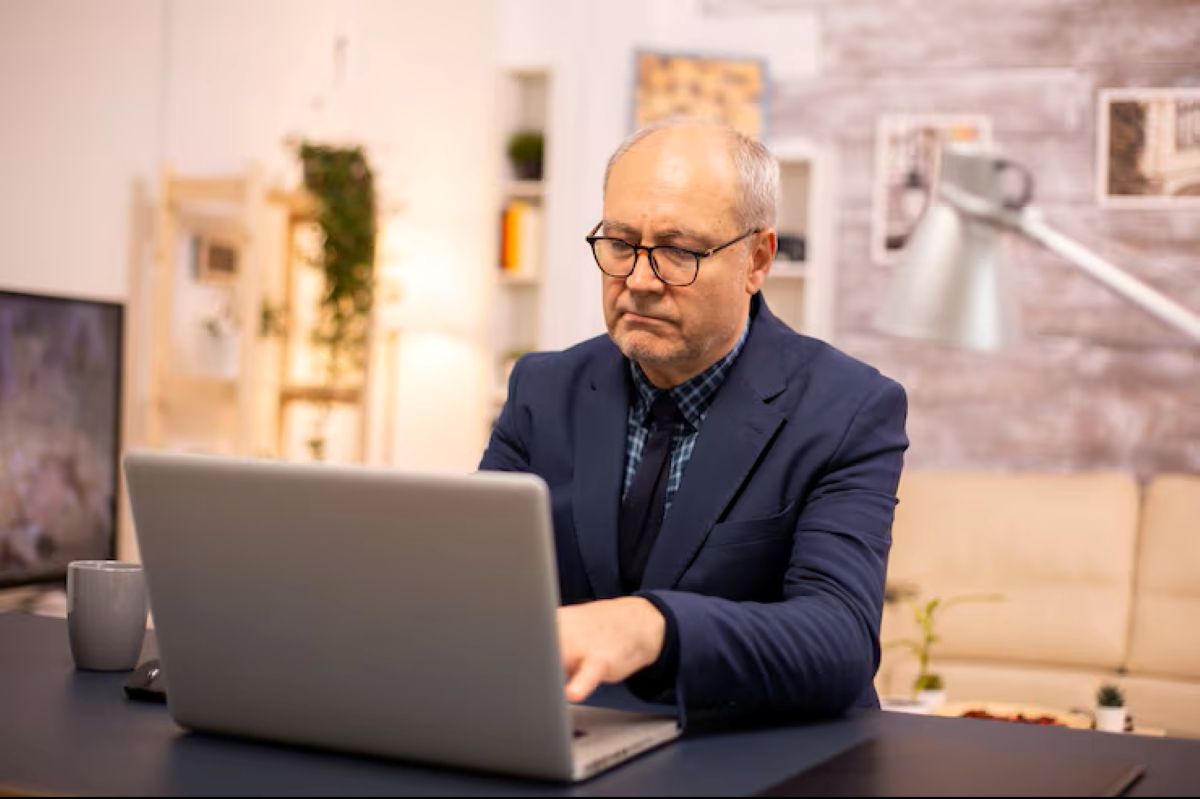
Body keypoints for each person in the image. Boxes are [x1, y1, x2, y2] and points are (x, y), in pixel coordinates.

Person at [479, 119, 908, 718]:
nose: (639, 281)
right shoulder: (542, 390)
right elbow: (475, 586)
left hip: (762, 757)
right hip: (574, 741)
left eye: (679, 251)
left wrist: (654, 626)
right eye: (621, 244)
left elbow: (838, 642)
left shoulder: (848, 408)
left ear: (757, 259)